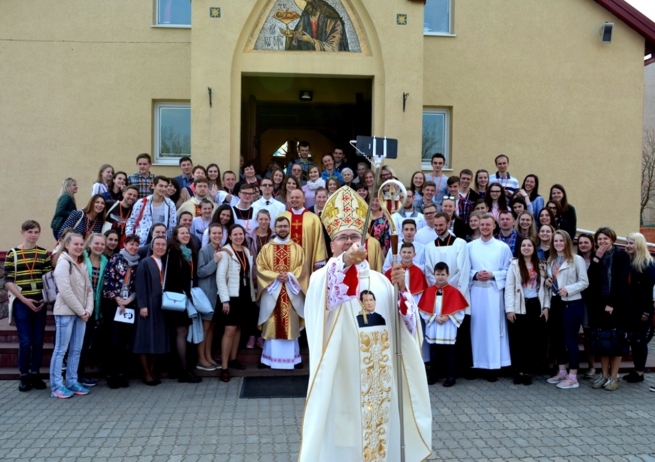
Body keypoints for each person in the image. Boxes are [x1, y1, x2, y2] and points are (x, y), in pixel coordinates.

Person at [298, 186, 431, 462]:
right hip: (343, 376)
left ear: (366, 240)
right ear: (332, 244)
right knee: (346, 441)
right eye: (343, 238)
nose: (349, 242)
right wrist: (346, 261)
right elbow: (332, 293)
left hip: (380, 379)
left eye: (354, 237)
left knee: (380, 440)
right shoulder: (323, 278)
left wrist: (402, 292)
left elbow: (407, 325)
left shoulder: (381, 281)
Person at [5, 220, 52, 392]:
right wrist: (24, 300)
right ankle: (23, 375)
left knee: (38, 341)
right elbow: (8, 281)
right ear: (22, 233)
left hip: (40, 301)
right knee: (25, 341)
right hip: (22, 303)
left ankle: (35, 373)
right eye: (29, 231)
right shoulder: (13, 254)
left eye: (36, 232)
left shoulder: (43, 254)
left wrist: (45, 300)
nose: (33, 235)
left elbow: (48, 280)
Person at [256, 217, 307, 369]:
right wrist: (276, 276)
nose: (283, 229)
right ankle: (268, 359)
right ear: (275, 228)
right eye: (280, 226)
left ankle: (294, 359)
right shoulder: (266, 248)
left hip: (291, 291)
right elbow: (260, 268)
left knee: (291, 323)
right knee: (272, 323)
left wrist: (289, 276)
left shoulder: (297, 248)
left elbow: (302, 268)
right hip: (273, 291)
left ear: (289, 227)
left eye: (285, 226)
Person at [467, 213, 513, 381]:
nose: (485, 227)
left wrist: (493, 274)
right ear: (478, 226)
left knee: (494, 329)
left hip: (494, 293)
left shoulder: (502, 247)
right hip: (476, 292)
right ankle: (476, 365)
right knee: (476, 329)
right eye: (482, 225)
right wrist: (475, 274)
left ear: (494, 226)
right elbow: (464, 269)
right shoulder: (470, 246)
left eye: (488, 224)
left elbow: (509, 271)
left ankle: (493, 366)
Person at [49, 233, 94, 399]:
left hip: (81, 314)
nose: (79, 247)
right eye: (75, 244)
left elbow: (89, 289)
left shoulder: (81, 263)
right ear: (67, 245)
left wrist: (88, 310)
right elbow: (65, 291)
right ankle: (56, 386)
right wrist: (81, 311)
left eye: (81, 244)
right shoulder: (63, 263)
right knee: (61, 350)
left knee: (76, 350)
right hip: (66, 313)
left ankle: (72, 381)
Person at [586, 227, 630, 391]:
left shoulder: (622, 256)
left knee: (616, 340)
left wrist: (611, 303)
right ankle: (604, 375)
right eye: (600, 239)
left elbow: (621, 281)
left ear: (612, 239)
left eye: (606, 238)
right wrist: (596, 258)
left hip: (617, 305)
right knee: (602, 340)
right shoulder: (597, 256)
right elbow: (590, 279)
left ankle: (614, 377)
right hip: (599, 306)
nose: (602, 242)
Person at [545, 230, 589, 390]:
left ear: (567, 242)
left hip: (572, 303)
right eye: (555, 241)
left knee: (571, 340)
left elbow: (584, 282)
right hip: (556, 303)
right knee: (557, 339)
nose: (558, 244)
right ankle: (562, 371)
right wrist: (548, 282)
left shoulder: (577, 260)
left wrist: (568, 289)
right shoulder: (551, 260)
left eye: (561, 241)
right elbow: (551, 279)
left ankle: (573, 376)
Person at [505, 238, 549, 385]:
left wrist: (546, 307)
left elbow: (546, 290)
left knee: (532, 340)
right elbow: (509, 288)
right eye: (523, 245)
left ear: (534, 248)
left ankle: (528, 371)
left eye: (529, 245)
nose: (526, 248)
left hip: (535, 305)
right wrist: (509, 310)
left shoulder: (541, 265)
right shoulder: (514, 265)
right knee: (519, 340)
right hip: (519, 306)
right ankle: (519, 371)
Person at [418, 261, 469, 387]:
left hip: (448, 327)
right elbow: (423, 309)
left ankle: (451, 376)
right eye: (438, 274)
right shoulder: (429, 291)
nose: (440, 277)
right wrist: (434, 317)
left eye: (443, 274)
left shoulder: (454, 291)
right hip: (434, 326)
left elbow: (460, 310)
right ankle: (434, 375)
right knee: (434, 352)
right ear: (434, 274)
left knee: (449, 353)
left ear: (448, 275)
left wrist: (449, 316)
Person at [216, 225, 256, 382]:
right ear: (230, 236)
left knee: (239, 327)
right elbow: (220, 277)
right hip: (231, 296)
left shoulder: (246, 251)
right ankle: (224, 367)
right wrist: (224, 300)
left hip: (245, 294)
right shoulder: (225, 252)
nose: (239, 237)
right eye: (235, 234)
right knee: (230, 330)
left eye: (241, 234)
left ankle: (233, 359)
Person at [163, 225, 202, 384]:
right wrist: (187, 292)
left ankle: (180, 369)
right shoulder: (173, 251)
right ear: (176, 236)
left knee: (182, 332)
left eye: (187, 233)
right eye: (182, 233)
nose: (186, 235)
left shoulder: (190, 252)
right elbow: (176, 275)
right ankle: (183, 371)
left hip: (185, 295)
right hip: (177, 297)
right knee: (181, 331)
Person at [101, 234, 141, 389]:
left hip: (129, 304)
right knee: (114, 339)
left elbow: (138, 286)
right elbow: (108, 280)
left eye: (136, 245)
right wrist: (118, 300)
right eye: (131, 244)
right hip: (112, 303)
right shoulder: (116, 259)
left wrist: (128, 300)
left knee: (124, 340)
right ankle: (111, 374)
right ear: (125, 244)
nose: (134, 247)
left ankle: (121, 373)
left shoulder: (138, 263)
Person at [134, 236, 170, 385]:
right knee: (145, 340)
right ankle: (146, 373)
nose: (161, 247)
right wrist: (142, 305)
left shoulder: (166, 263)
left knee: (157, 339)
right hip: (147, 305)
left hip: (162, 306)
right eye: (158, 244)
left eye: (163, 245)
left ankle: (153, 371)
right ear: (152, 246)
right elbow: (140, 285)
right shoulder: (145, 262)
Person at [624, 233, 655, 386]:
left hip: (643, 310)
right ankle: (637, 370)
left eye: (631, 243)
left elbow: (649, 291)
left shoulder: (647, 264)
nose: (628, 245)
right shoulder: (630, 261)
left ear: (639, 244)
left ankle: (640, 372)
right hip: (631, 309)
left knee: (639, 340)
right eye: (627, 242)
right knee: (634, 340)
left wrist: (647, 311)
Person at [77, 233, 107, 388]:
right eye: (97, 243)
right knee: (77, 345)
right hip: (79, 308)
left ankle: (79, 375)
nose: (99, 246)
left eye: (102, 244)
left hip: (95, 310)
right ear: (89, 244)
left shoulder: (105, 261)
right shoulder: (81, 259)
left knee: (85, 343)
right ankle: (74, 376)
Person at [279, 189, 327, 276]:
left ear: (304, 199)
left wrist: (318, 261)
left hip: (307, 261)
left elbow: (319, 240)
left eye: (297, 197)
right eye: (292, 197)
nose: (294, 199)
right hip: (286, 260)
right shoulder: (282, 216)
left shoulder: (313, 218)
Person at [196, 224, 224, 371]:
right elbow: (200, 272)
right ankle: (201, 358)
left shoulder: (222, 249)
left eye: (219, 233)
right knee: (205, 327)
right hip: (207, 293)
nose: (217, 236)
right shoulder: (204, 250)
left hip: (217, 294)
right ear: (209, 234)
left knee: (212, 327)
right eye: (214, 233)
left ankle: (208, 356)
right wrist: (215, 261)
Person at [245, 209, 273, 348]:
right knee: (252, 309)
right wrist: (255, 275)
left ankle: (261, 336)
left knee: (265, 307)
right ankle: (252, 336)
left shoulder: (273, 236)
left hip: (270, 277)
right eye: (261, 219)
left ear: (269, 220)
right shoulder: (249, 236)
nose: (263, 222)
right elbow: (248, 256)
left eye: (266, 219)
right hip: (253, 276)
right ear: (257, 220)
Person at [125, 176, 177, 242]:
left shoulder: (170, 204)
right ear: (153, 186)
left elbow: (172, 226)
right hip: (142, 241)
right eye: (161, 186)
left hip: (162, 242)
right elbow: (131, 222)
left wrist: (169, 242)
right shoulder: (142, 202)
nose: (163, 189)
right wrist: (130, 239)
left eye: (166, 186)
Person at [282, 0, 349, 51]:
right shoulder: (306, 17)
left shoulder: (332, 20)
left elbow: (333, 48)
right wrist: (292, 35)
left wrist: (311, 41)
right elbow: (298, 36)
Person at [577, 232, 598, 379]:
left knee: (590, 334)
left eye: (586, 242)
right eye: (581, 243)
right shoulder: (575, 259)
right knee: (584, 334)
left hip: (593, 302)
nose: (583, 245)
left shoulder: (598, 260)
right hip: (577, 299)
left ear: (592, 244)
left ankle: (594, 367)